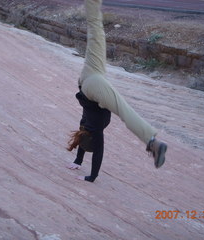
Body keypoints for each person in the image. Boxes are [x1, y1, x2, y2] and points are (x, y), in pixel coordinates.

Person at [67, 0, 167, 182]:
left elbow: (93, 149)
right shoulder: (88, 127)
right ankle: (92, 1)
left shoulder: (94, 128)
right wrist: (82, 165)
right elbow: (86, 144)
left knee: (125, 111)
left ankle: (152, 142)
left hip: (94, 81)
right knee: (95, 30)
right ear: (84, 137)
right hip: (90, 76)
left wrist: (85, 170)